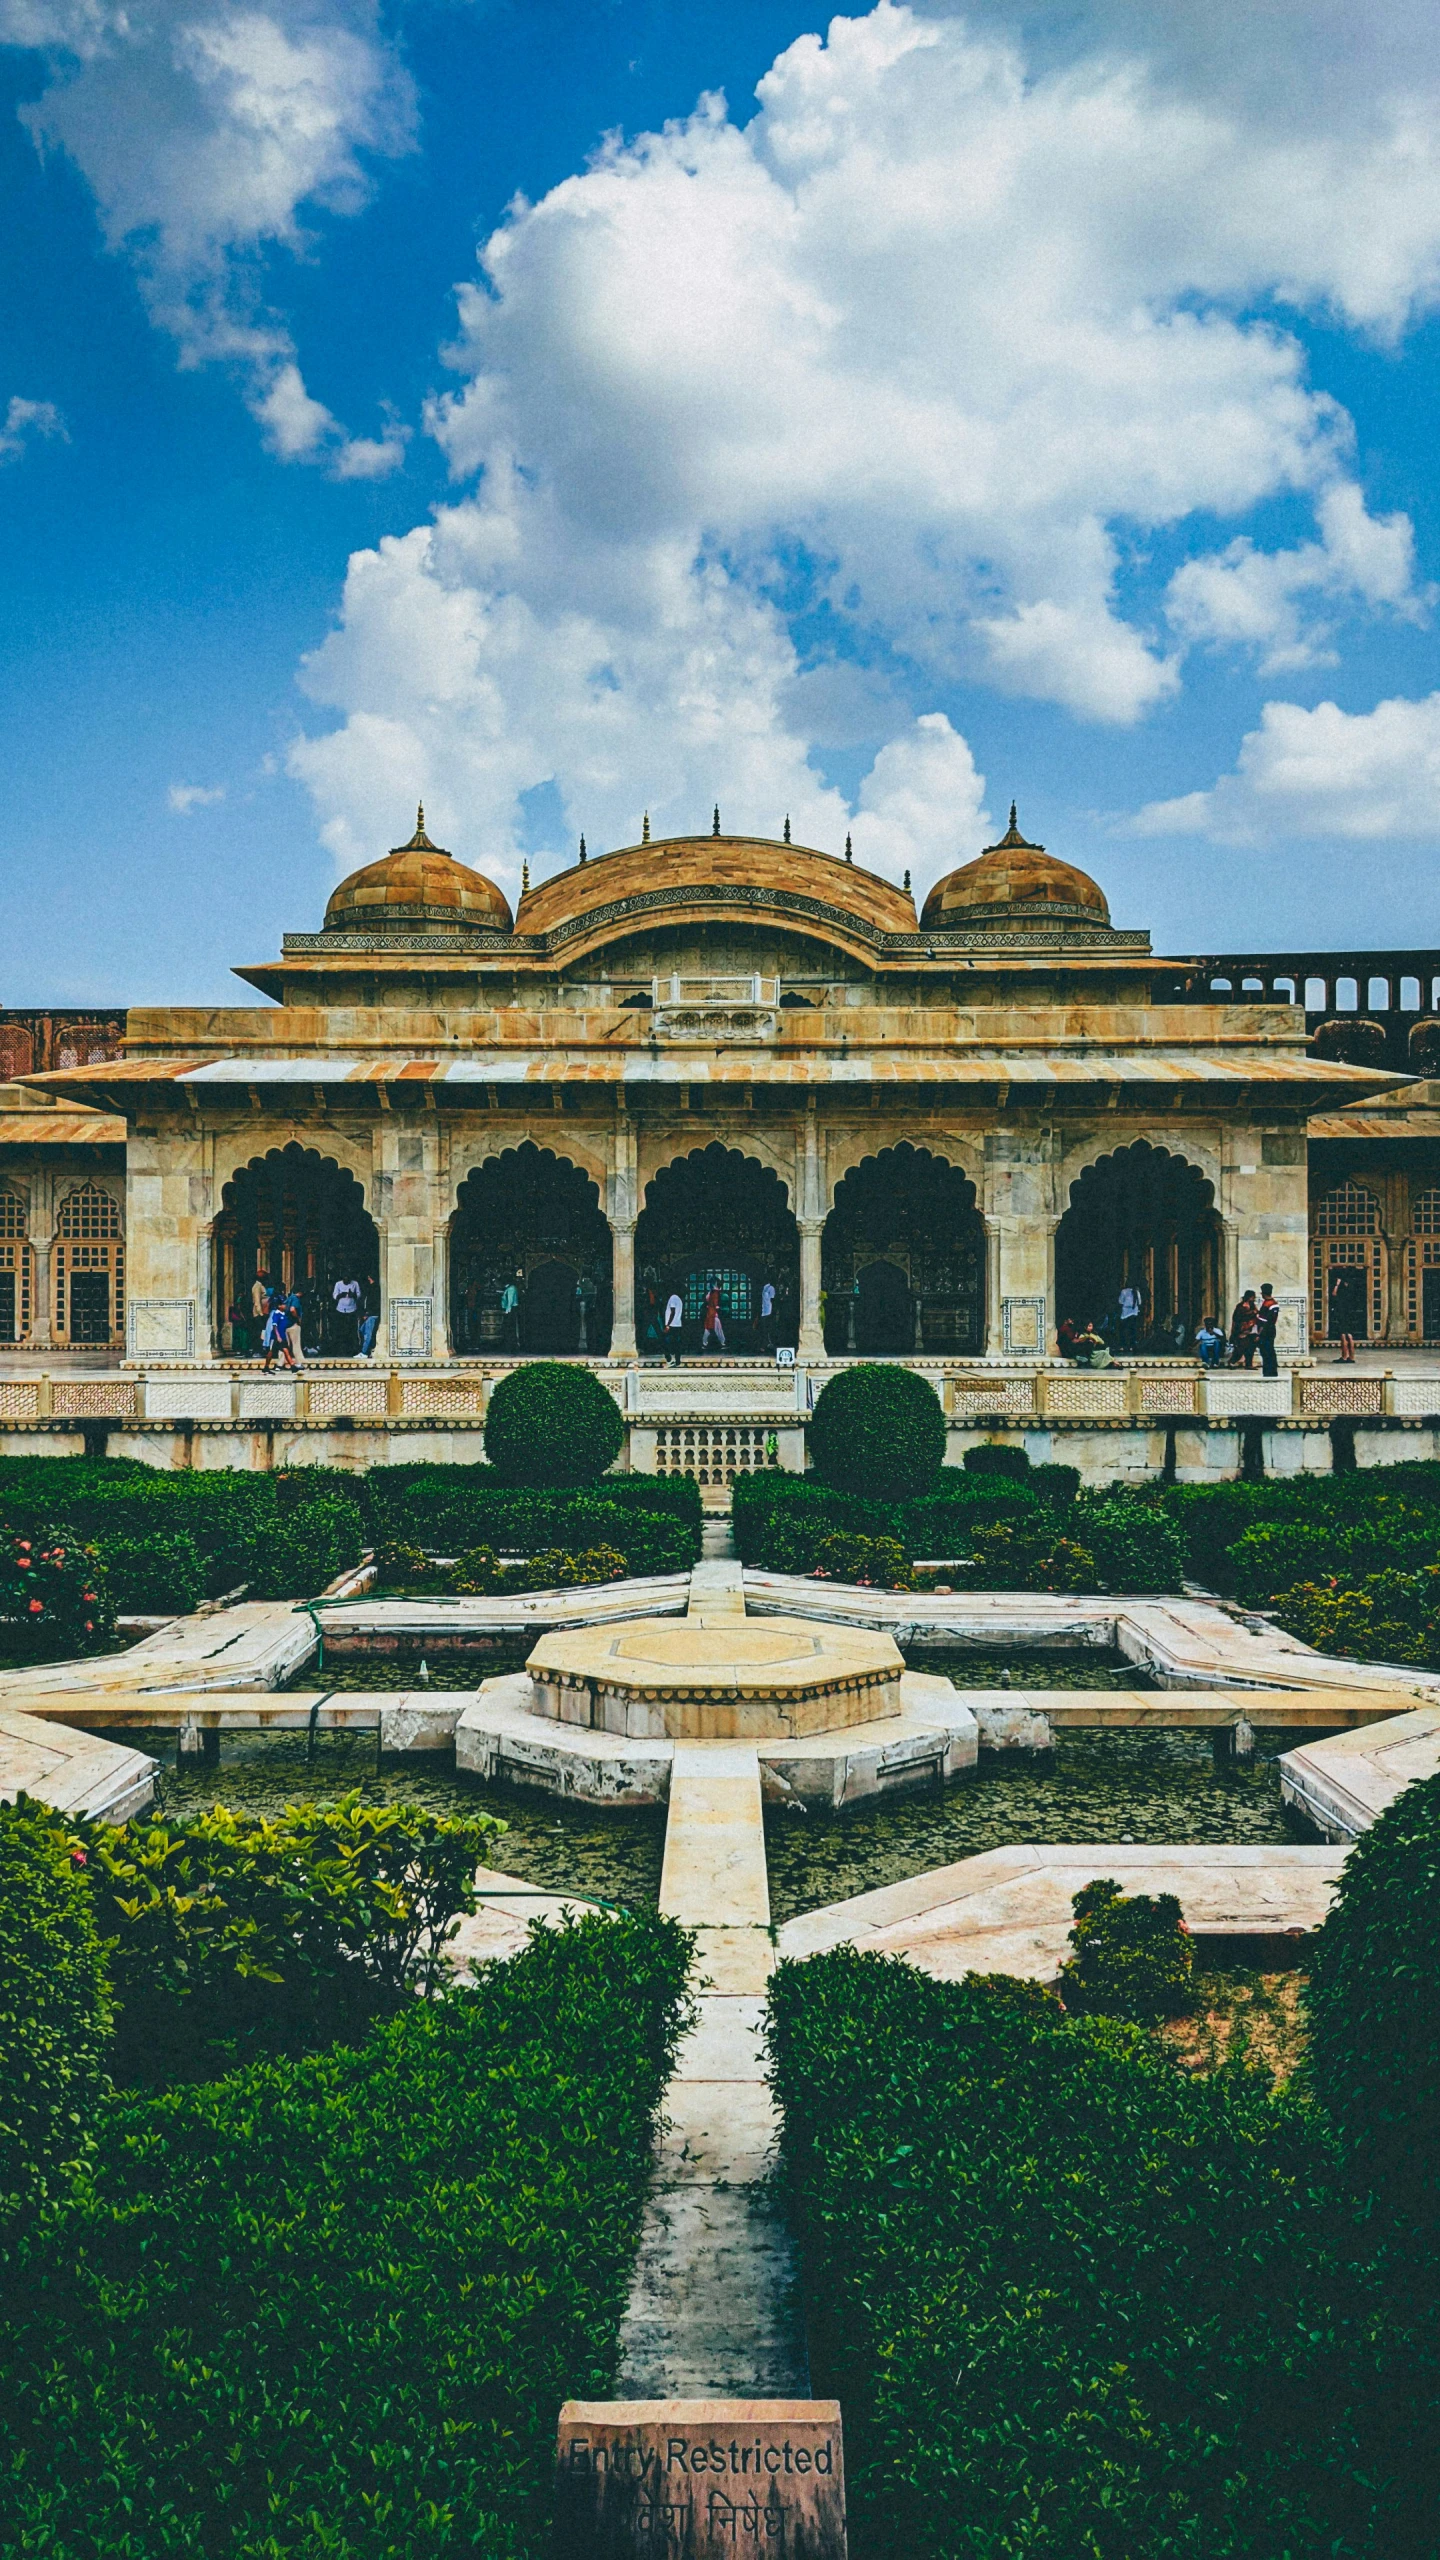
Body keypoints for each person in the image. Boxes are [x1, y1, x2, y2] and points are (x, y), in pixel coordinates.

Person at [261, 1288, 295, 1373]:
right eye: (283, 1304)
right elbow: (274, 1326)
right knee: (271, 1352)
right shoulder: (276, 1314)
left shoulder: (283, 1314)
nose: (285, 1306)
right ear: (279, 1306)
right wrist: (278, 1336)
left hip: (281, 1336)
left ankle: (293, 1366)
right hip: (276, 1337)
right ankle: (266, 1366)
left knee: (285, 1350)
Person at [1327, 1268, 1357, 1363]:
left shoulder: (1341, 1287)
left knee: (1343, 1335)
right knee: (1350, 1335)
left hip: (1342, 1312)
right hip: (1350, 1312)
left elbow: (1334, 1294)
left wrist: (1337, 1284)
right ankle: (1351, 1357)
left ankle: (1344, 1356)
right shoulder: (1350, 1287)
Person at [332, 1271, 362, 1355]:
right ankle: (341, 1350)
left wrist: (353, 1295)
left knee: (352, 1331)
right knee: (341, 1331)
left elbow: (359, 1295)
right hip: (340, 1310)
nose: (346, 1280)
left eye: (348, 1279)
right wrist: (341, 1295)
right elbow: (334, 1296)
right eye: (345, 1279)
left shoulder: (355, 1283)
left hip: (352, 1310)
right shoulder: (338, 1284)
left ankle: (353, 1350)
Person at [1255, 1282, 1281, 1378]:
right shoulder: (1274, 1303)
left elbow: (1263, 1322)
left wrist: (1258, 1334)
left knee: (1265, 1351)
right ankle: (1273, 1371)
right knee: (1270, 1350)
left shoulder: (1266, 1304)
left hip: (1265, 1330)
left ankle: (1268, 1372)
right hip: (1271, 1329)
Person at [1228, 1290, 1259, 1367]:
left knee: (1251, 1348)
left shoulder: (1252, 1305)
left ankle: (1249, 1364)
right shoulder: (1240, 1306)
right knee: (1241, 1347)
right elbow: (1237, 1318)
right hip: (1243, 1329)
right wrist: (1251, 1313)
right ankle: (1232, 1362)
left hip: (1252, 1329)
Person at [1118, 1279, 1143, 1353]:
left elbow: (1120, 1301)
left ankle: (1124, 1345)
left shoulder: (1124, 1291)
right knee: (1133, 1330)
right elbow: (1140, 1302)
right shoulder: (1137, 1292)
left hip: (1125, 1314)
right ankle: (1132, 1345)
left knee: (1124, 1330)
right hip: (1134, 1313)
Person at [358, 1276, 380, 1359]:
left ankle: (364, 1352)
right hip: (370, 1314)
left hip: (372, 1315)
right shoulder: (371, 1288)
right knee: (362, 1330)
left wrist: (368, 1314)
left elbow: (374, 1303)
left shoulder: (374, 1289)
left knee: (368, 1334)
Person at [284, 1286, 305, 1369]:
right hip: (293, 1324)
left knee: (285, 1345)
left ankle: (281, 1362)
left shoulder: (288, 1299)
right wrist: (297, 1318)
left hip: (286, 1324)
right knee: (296, 1344)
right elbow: (292, 1309)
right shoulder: (295, 1299)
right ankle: (299, 1362)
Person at [701, 1283, 725, 1354]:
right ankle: (722, 1341)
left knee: (709, 1328)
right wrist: (717, 1307)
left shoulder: (711, 1293)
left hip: (711, 1313)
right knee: (716, 1328)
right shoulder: (715, 1293)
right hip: (712, 1313)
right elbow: (715, 1303)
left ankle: (705, 1342)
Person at [500, 1271, 521, 1352]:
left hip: (511, 1310)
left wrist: (507, 1310)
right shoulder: (509, 1288)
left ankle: (511, 1346)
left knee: (510, 1328)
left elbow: (510, 1300)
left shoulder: (511, 1288)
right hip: (510, 1309)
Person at [663, 1286, 684, 1365]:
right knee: (676, 1343)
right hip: (678, 1324)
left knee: (665, 1342)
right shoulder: (679, 1299)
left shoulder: (673, 1298)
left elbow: (673, 1312)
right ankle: (677, 1361)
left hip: (672, 1325)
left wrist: (668, 1325)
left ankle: (669, 1359)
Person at [759, 1275, 776, 1353]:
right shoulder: (764, 1288)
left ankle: (767, 1344)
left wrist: (773, 1312)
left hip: (769, 1311)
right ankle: (765, 1344)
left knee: (767, 1329)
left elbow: (773, 1299)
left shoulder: (771, 1288)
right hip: (764, 1311)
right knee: (763, 1329)